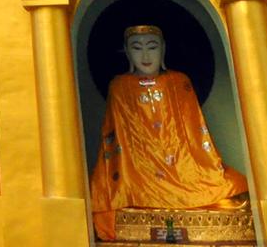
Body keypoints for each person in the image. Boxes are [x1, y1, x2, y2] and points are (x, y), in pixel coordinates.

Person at [88, 25, 247, 240]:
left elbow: (195, 134)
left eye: (152, 47)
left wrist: (195, 170)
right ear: (127, 52)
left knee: (237, 191)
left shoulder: (179, 82)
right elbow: (118, 143)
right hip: (138, 177)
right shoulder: (119, 87)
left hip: (184, 172)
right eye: (137, 48)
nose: (145, 55)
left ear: (163, 49)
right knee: (108, 208)